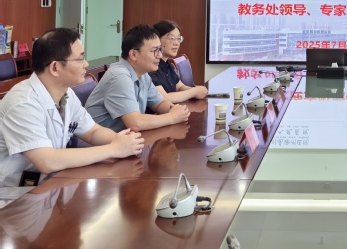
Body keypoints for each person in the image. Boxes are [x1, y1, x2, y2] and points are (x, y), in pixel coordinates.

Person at [0, 28, 144, 189]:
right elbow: (47, 161)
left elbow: (93, 132)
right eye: (80, 59)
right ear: (55, 67)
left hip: (49, 183)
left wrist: (124, 142)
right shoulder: (22, 103)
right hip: (14, 193)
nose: (86, 64)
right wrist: (113, 149)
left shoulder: (66, 93)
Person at [86, 24, 190, 132]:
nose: (159, 55)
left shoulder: (143, 74)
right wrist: (172, 117)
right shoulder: (120, 77)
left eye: (160, 49)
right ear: (133, 54)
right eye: (154, 50)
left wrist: (175, 110)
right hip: (100, 141)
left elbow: (159, 103)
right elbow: (135, 123)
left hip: (124, 138)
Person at [150, 20, 207, 103]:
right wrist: (194, 92)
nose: (177, 43)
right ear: (157, 40)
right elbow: (164, 98)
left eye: (179, 39)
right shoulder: (150, 66)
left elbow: (179, 87)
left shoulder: (168, 64)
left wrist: (198, 91)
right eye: (172, 38)